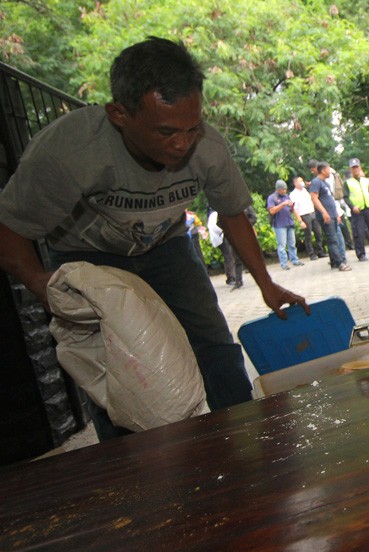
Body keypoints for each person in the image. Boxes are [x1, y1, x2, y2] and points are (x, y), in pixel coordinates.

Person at [0, 37, 309, 442]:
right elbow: (10, 231)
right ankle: (135, 468)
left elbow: (233, 213)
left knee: (213, 343)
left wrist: (266, 284)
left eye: (191, 128)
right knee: (116, 370)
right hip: (88, 258)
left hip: (167, 247)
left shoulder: (208, 148)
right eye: (166, 132)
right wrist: (42, 285)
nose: (181, 144)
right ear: (119, 114)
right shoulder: (69, 152)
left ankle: (249, 440)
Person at [309, 161, 351, 271]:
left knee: (335, 238)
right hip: (325, 216)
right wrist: (324, 212)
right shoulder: (316, 182)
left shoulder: (325, 183)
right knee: (333, 239)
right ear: (322, 170)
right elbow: (314, 198)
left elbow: (330, 200)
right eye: (328, 169)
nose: (330, 171)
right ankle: (340, 263)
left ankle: (334, 262)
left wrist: (336, 214)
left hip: (332, 215)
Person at [343, 158, 369, 262]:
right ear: (350, 169)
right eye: (353, 168)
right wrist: (352, 207)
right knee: (358, 233)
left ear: (360, 168)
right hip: (357, 210)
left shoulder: (366, 181)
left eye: (357, 167)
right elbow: (346, 197)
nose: (355, 170)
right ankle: (361, 254)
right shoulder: (347, 183)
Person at [267, 180, 305, 270]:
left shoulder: (287, 196)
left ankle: (294, 260)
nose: (284, 191)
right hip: (279, 224)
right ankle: (284, 263)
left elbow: (293, 210)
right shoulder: (272, 198)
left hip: (289, 223)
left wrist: (299, 220)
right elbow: (272, 210)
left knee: (292, 243)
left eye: (285, 189)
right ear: (278, 189)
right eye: (282, 189)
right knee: (282, 245)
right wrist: (282, 204)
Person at [289, 175, 325, 260]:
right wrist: (300, 221)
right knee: (308, 235)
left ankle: (320, 251)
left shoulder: (306, 190)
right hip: (304, 215)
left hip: (312, 212)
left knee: (318, 233)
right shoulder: (293, 194)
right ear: (295, 183)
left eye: (302, 180)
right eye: (299, 181)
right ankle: (311, 253)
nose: (301, 182)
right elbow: (294, 209)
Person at [208, 207, 243, 289]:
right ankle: (231, 277)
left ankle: (232, 277)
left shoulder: (213, 215)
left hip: (220, 238)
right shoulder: (216, 214)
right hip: (222, 237)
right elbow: (217, 227)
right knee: (229, 257)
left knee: (229, 257)